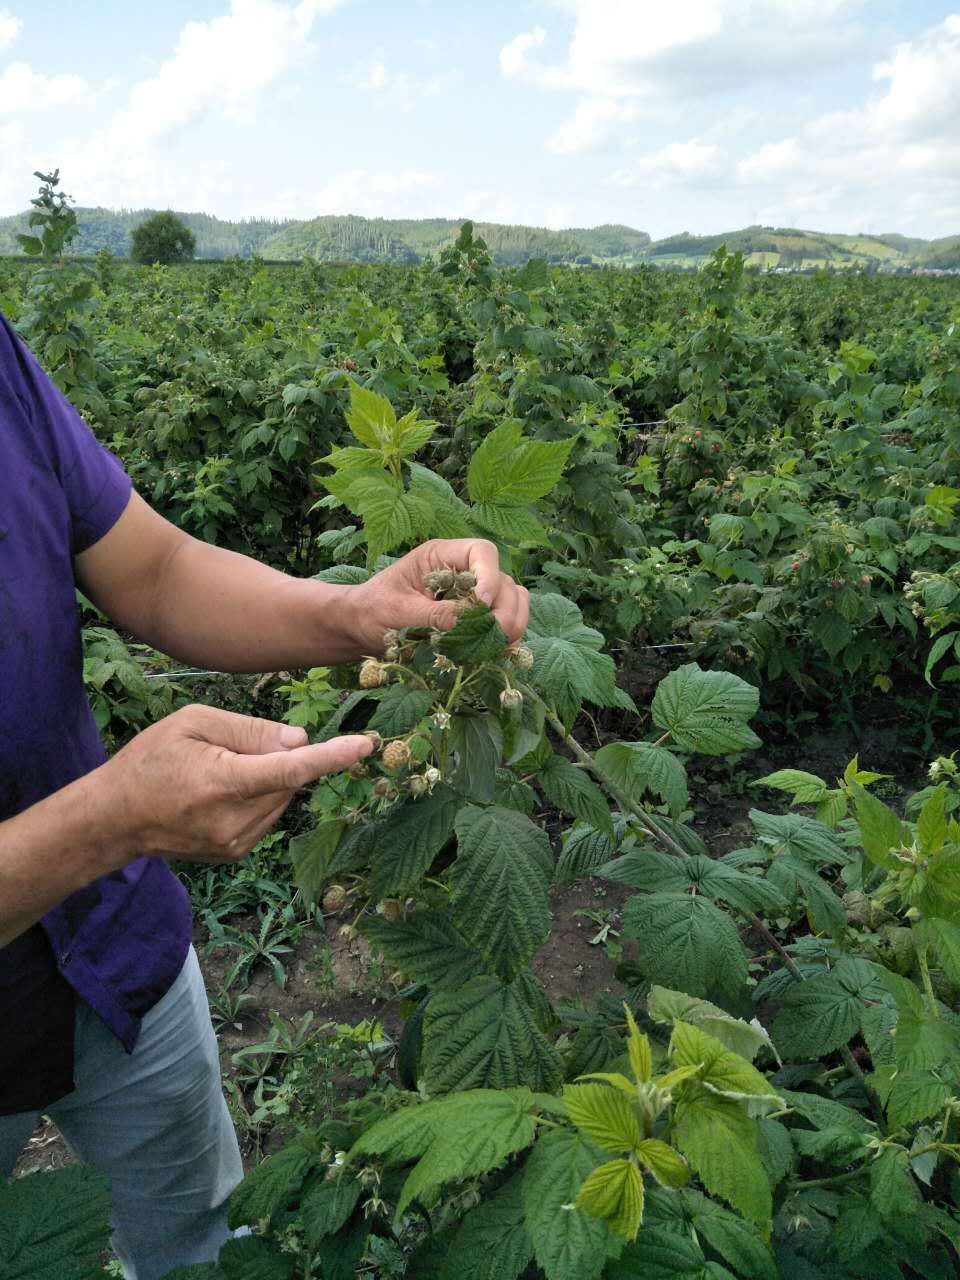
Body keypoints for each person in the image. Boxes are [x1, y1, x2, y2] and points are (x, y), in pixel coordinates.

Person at [0, 310, 529, 1278]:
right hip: (90, 877)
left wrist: (353, 614)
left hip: (113, 952)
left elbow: (153, 570)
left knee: (204, 1248)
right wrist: (109, 818)